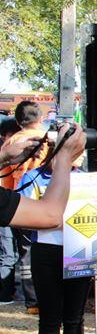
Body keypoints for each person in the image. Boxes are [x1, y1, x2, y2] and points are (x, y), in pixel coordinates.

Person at [21, 152, 91, 334]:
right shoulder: (34, 178)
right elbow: (23, 218)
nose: (79, 157)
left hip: (79, 250)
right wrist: (54, 221)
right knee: (50, 319)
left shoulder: (85, 179)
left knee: (74, 318)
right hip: (46, 252)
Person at [1, 101, 49, 314]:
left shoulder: (11, 142)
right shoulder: (48, 138)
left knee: (25, 255)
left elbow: (4, 178)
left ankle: (33, 302)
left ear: (18, 121)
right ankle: (44, 299)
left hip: (15, 206)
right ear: (41, 118)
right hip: (45, 205)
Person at [0, 116, 21, 303]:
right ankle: (5, 294)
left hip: (12, 204)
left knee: (9, 252)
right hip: (10, 206)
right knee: (8, 252)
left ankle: (7, 292)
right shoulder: (8, 149)